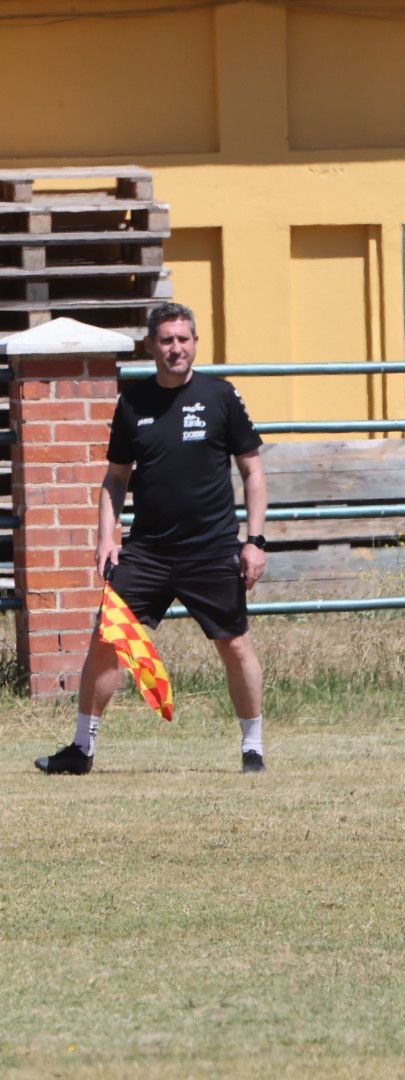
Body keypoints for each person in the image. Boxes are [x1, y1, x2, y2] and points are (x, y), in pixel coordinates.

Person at [33, 302, 270, 776]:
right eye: (166, 340)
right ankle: (81, 750)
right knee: (108, 639)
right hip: (149, 552)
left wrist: (255, 541)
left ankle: (253, 749)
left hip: (211, 549)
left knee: (236, 645)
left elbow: (252, 469)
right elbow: (115, 479)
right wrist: (107, 537)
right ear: (151, 345)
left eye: (183, 339)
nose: (176, 348)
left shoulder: (221, 396)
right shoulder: (133, 403)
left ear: (195, 344)